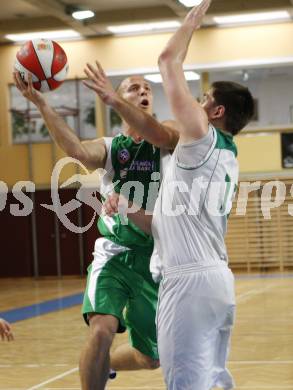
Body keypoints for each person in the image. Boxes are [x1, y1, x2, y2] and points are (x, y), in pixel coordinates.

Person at [103, 0, 255, 388]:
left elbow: (168, 60)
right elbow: (164, 225)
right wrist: (127, 207)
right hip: (216, 280)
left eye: (204, 97)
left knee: (185, 382)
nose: (196, 102)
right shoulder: (222, 156)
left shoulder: (201, 136)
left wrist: (193, 18)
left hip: (187, 283)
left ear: (216, 111)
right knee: (215, 379)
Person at [13, 70, 178, 390]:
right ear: (117, 101)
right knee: (102, 330)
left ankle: (108, 364)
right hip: (114, 254)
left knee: (150, 359)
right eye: (133, 88)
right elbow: (75, 149)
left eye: (147, 88)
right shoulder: (111, 146)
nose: (143, 91)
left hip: (156, 259)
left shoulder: (168, 133)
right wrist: (43, 105)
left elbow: (166, 132)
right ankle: (98, 363)